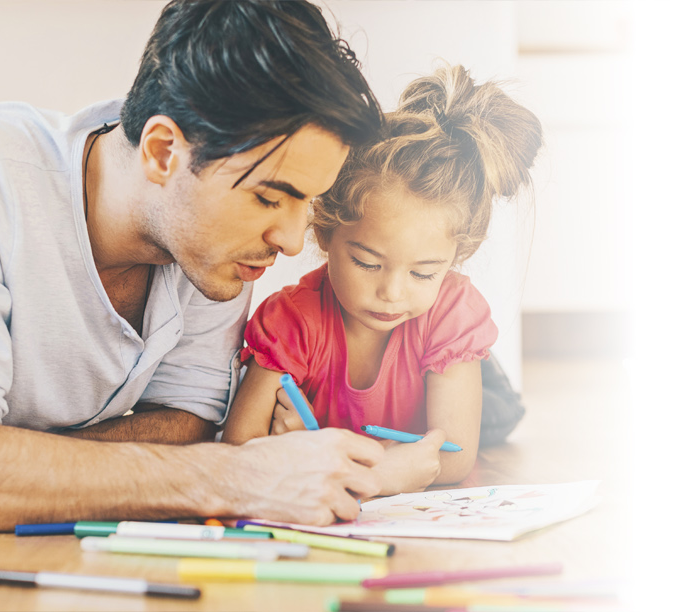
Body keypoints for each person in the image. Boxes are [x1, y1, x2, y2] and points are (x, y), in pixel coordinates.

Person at [0, 0, 390, 531]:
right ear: (162, 153)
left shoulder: (210, 248)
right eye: (270, 198)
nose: (291, 241)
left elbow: (186, 422)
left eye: (307, 203)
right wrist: (241, 477)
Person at [222, 66, 542, 496]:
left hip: (458, 375)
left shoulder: (451, 311)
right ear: (324, 232)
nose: (391, 293)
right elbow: (239, 449)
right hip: (408, 392)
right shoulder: (291, 320)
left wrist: (336, 462)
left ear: (454, 260)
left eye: (423, 272)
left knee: (498, 417)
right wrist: (361, 460)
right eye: (367, 263)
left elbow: (455, 453)